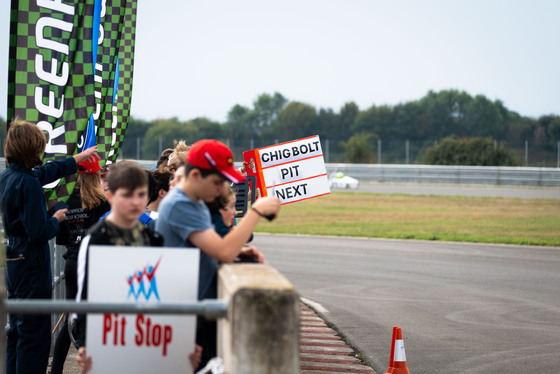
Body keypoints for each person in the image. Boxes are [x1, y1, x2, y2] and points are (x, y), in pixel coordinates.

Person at [156, 139, 280, 370]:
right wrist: (256, 211)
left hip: (194, 310)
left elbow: (214, 247)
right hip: (184, 315)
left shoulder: (195, 202)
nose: (221, 186)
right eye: (217, 181)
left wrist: (239, 253)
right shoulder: (180, 205)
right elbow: (223, 251)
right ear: (195, 177)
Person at [74, 160, 201, 372]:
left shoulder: (154, 238)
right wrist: (86, 343)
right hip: (109, 340)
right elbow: (84, 297)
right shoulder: (95, 239)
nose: (135, 202)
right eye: (127, 195)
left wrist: (184, 342)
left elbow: (167, 292)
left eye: (141, 195)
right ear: (110, 195)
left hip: (146, 339)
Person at [0, 119, 97, 374]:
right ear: (33, 148)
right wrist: (55, 220)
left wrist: (76, 159)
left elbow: (44, 172)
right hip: (32, 264)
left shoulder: (8, 177)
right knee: (34, 335)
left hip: (13, 262)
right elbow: (38, 232)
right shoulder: (29, 184)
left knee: (17, 330)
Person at [50, 156, 110, 374]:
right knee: (96, 317)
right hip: (94, 264)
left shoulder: (66, 203)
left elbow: (63, 239)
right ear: (96, 176)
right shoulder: (103, 203)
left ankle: (56, 369)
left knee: (69, 320)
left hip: (72, 262)